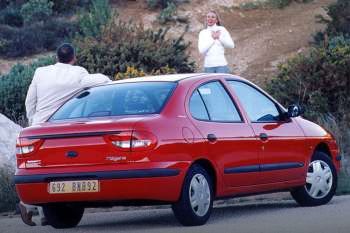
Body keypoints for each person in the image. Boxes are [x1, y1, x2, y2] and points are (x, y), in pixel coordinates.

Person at [19, 43, 111, 226]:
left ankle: (35, 208)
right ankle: (40, 209)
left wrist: (33, 123)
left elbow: (30, 100)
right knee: (56, 168)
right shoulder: (78, 73)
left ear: (56, 58)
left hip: (39, 126)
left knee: (35, 167)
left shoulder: (40, 72)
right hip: (62, 128)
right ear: (74, 58)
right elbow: (102, 81)